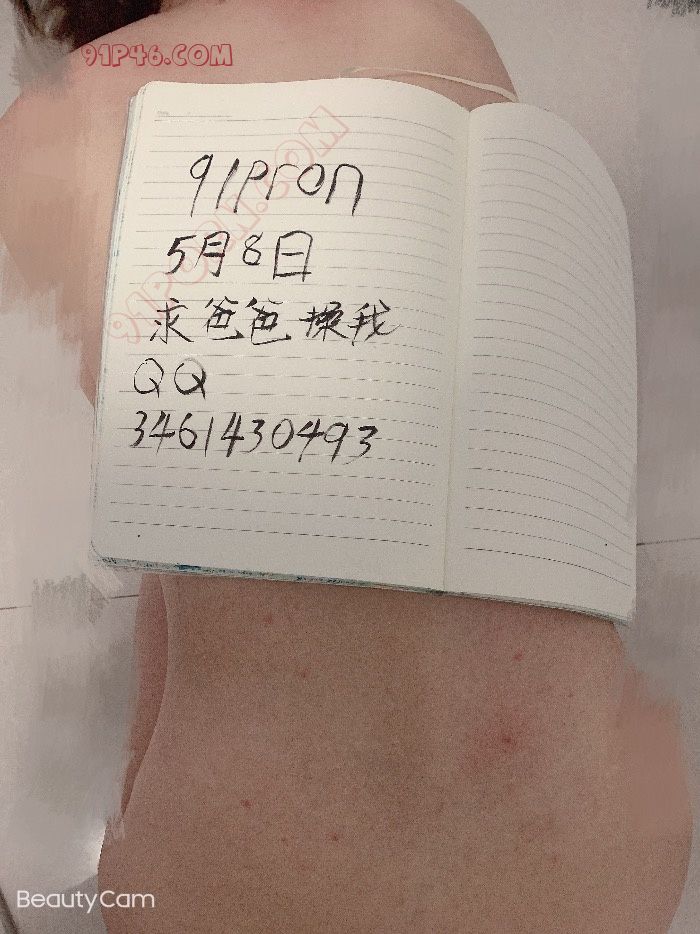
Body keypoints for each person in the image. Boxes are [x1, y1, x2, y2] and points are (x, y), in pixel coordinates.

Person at [1, 1, 692, 931]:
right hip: (618, 852)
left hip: (257, 881)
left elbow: (168, 490)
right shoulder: (445, 28)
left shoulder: (61, 115)